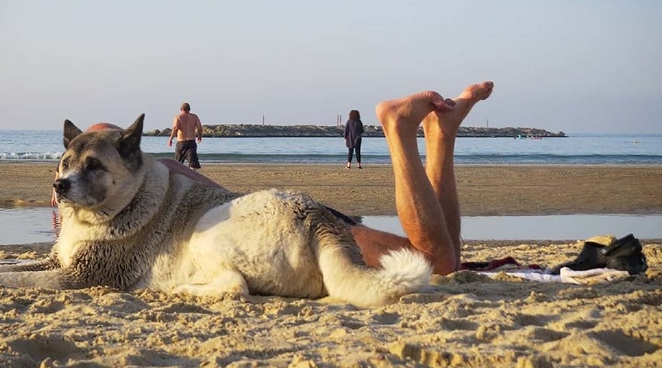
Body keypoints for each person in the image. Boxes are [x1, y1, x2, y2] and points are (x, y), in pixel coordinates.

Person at [55, 81, 494, 276]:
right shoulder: (150, 175)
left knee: (437, 263)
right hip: (266, 219)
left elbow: (96, 137)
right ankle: (441, 138)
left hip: (276, 227)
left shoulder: (139, 176)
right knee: (447, 259)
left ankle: (398, 130)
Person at [168, 102, 203, 170]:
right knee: (193, 162)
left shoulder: (178, 117)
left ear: (181, 109)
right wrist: (199, 136)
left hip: (181, 142)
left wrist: (171, 139)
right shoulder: (194, 117)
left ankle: (178, 176)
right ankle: (192, 176)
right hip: (191, 141)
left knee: (178, 162)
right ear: (189, 109)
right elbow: (199, 128)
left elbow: (175, 128)